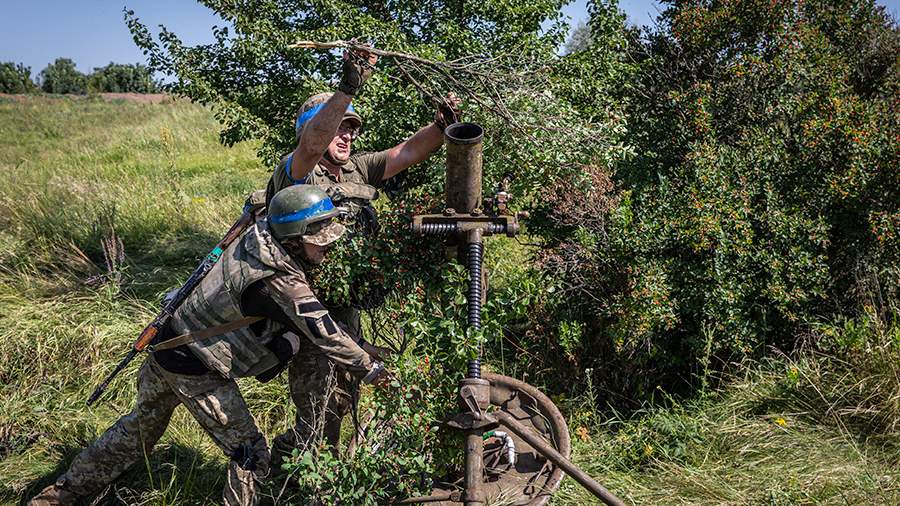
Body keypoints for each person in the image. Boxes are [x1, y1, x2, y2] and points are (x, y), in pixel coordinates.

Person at [28, 185, 394, 506]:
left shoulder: (261, 233)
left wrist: (359, 343)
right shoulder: (278, 281)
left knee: (137, 431)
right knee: (250, 455)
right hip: (195, 366)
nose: (328, 247)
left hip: (168, 344)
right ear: (296, 239)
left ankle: (59, 495)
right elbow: (321, 330)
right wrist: (371, 370)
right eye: (320, 241)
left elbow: (312, 318)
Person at [267, 46, 460, 458]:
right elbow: (312, 144)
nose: (346, 135)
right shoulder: (297, 170)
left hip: (347, 303)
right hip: (308, 305)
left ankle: (309, 459)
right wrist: (348, 88)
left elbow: (405, 153)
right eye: (338, 127)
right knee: (317, 401)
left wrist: (440, 126)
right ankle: (296, 470)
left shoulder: (358, 167)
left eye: (351, 129)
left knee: (343, 395)